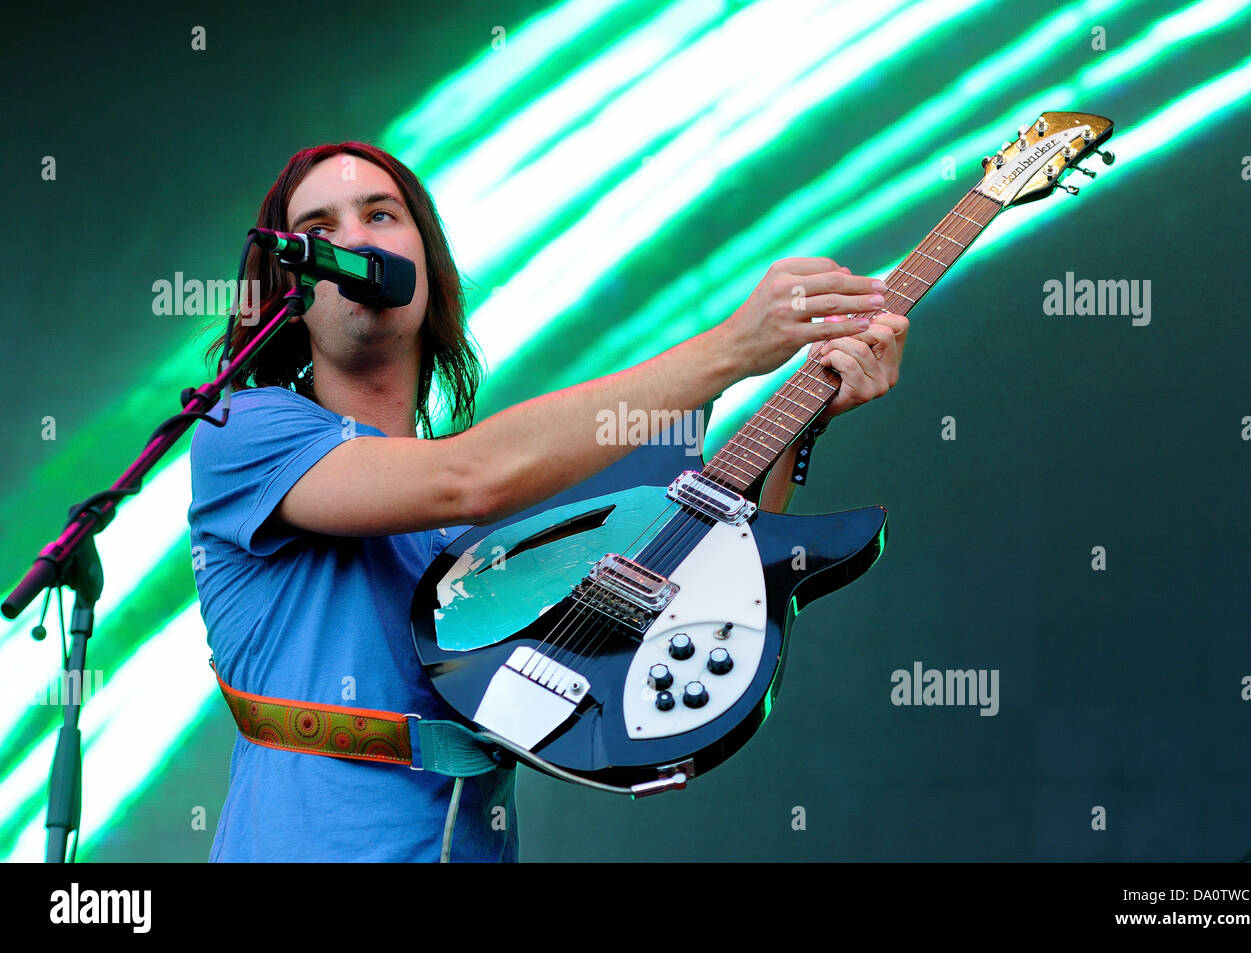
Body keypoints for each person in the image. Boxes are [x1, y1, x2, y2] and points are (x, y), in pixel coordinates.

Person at [188, 141, 908, 862]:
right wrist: (731, 348)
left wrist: (804, 417)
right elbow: (467, 474)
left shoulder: (487, 528)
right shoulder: (243, 430)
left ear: (430, 269)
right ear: (287, 285)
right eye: (318, 232)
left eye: (381, 214)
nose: (353, 239)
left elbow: (684, 571)